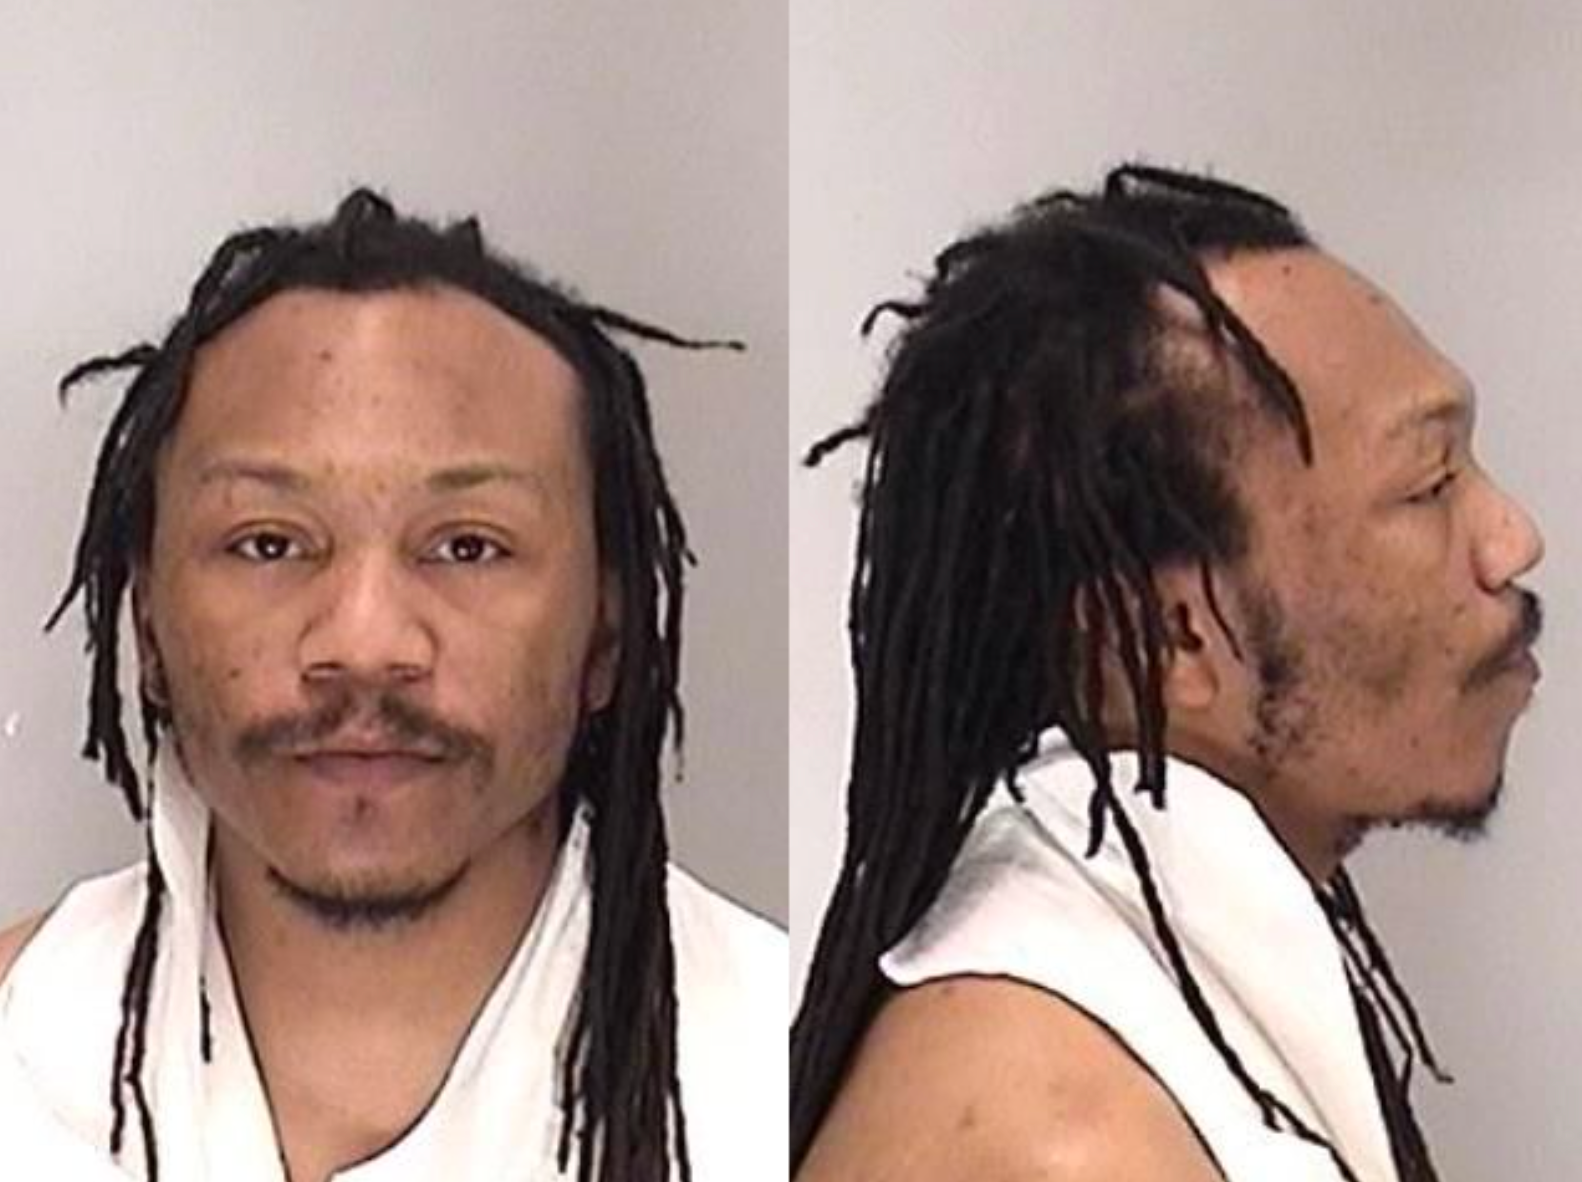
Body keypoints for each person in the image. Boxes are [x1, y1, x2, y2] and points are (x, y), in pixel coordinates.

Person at [0, 191, 784, 1182]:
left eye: (467, 546)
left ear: (605, 633)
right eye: (269, 543)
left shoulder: (787, 1090)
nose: (365, 644)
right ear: (147, 624)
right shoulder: (23, 1069)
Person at [792, 165, 1544, 1182]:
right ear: (1171, 639)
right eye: (1428, 484)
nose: (1512, 538)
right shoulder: (1061, 1140)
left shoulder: (1148, 987)